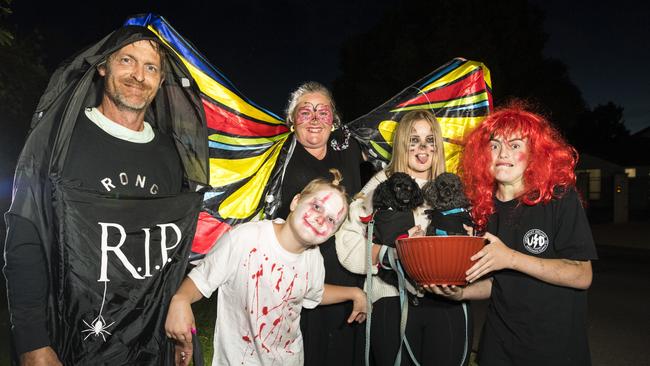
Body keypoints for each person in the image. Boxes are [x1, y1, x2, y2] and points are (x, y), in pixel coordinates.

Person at [3, 26, 209, 365]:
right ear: (103, 66)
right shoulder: (59, 141)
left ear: (160, 81)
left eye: (151, 67)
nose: (139, 76)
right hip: (73, 341)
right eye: (127, 60)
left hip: (147, 345)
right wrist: (32, 342)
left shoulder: (168, 155)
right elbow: (25, 237)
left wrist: (176, 324)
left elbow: (168, 257)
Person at [430, 103, 597, 366]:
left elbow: (581, 274)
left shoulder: (559, 198)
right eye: (494, 145)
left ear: (535, 154)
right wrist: (462, 293)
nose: (502, 153)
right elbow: (500, 284)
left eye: (515, 145)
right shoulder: (482, 209)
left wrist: (510, 258)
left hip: (554, 347)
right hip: (499, 345)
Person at [165, 170, 367, 365]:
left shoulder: (314, 259)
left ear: (332, 234)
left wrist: (354, 293)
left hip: (290, 359)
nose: (321, 219)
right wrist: (181, 299)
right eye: (316, 206)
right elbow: (201, 280)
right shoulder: (245, 239)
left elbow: (312, 293)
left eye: (332, 220)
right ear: (296, 202)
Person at [336, 110, 473, 366]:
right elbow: (347, 244)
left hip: (446, 300)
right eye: (413, 139)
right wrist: (389, 254)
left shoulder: (451, 187)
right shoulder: (381, 184)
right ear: (401, 144)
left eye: (430, 139)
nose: (422, 147)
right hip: (391, 300)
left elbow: (474, 247)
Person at [267, 81, 366, 365]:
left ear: (333, 121)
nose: (314, 119)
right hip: (298, 272)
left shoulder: (348, 150)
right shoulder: (278, 157)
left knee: (346, 351)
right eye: (305, 112)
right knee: (305, 352)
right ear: (291, 120)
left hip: (346, 266)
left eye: (322, 112)